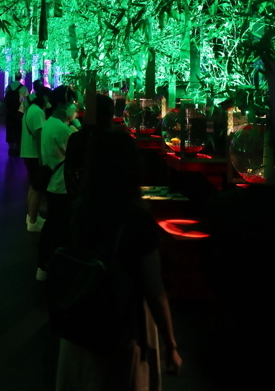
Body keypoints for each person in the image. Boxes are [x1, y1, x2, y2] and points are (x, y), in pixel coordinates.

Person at [55, 129, 182, 391]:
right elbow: (154, 290)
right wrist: (170, 344)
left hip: (80, 324)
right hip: (121, 326)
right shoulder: (137, 219)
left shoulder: (79, 210)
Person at [36, 86, 76, 280]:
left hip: (54, 182)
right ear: (61, 105)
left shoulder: (50, 123)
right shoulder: (62, 129)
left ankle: (44, 264)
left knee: (52, 226)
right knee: (61, 229)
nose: (73, 107)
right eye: (70, 103)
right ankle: (55, 266)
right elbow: (75, 153)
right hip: (62, 184)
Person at [64, 94, 115, 200]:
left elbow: (69, 171)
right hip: (110, 199)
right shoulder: (118, 140)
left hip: (83, 198)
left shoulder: (77, 138)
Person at [21, 86, 50, 232]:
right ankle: (33, 221)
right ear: (45, 98)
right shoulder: (38, 112)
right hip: (34, 154)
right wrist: (42, 156)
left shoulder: (30, 109)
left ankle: (31, 216)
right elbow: (39, 135)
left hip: (27, 153)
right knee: (37, 188)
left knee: (33, 186)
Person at [5, 72, 28, 156]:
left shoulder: (8, 86)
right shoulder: (24, 88)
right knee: (17, 130)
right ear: (21, 78)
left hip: (9, 111)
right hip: (19, 112)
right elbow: (26, 101)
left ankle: (10, 148)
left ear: (14, 77)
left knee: (9, 129)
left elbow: (6, 98)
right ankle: (16, 148)